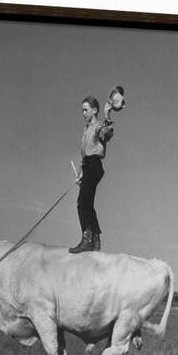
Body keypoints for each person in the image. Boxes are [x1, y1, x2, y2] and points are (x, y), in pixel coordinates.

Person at [69, 95, 115, 253]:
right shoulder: (86, 129)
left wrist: (108, 116)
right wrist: (81, 174)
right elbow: (84, 155)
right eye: (82, 110)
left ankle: (87, 240)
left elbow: (107, 135)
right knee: (87, 203)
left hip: (95, 165)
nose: (83, 113)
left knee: (82, 203)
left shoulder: (97, 126)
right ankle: (95, 241)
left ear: (95, 110)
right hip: (88, 166)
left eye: (86, 110)